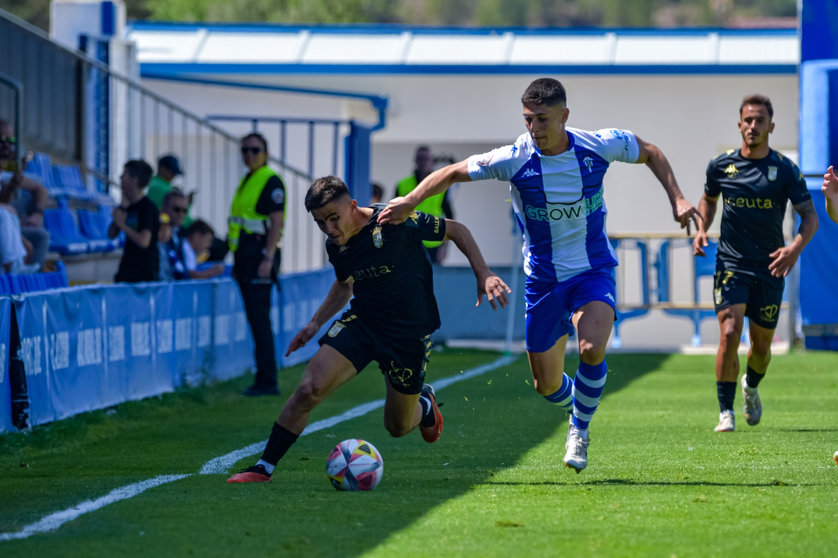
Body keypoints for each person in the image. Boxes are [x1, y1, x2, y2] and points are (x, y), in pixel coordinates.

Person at [379, 77, 699, 473]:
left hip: (591, 269)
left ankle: (579, 429)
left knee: (590, 349)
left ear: (565, 116)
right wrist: (410, 201)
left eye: (543, 119)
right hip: (543, 281)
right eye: (529, 119)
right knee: (546, 385)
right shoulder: (515, 157)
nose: (534, 128)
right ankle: (577, 409)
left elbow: (650, 151)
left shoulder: (598, 145)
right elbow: (454, 172)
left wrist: (679, 197)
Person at [227, 176, 510, 483]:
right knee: (310, 388)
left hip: (407, 334)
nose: (330, 229)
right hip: (364, 323)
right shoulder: (335, 246)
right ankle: (264, 467)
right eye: (321, 223)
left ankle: (424, 404)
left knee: (398, 427)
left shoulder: (395, 220)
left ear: (352, 206)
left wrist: (483, 273)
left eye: (334, 219)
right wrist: (315, 323)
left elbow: (456, 230)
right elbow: (344, 284)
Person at [693, 94, 818, 433]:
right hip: (732, 263)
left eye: (759, 121)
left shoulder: (785, 170)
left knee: (761, 347)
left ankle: (751, 386)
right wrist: (702, 228)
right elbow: (708, 199)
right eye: (748, 120)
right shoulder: (720, 166)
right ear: (739, 125)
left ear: (771, 126)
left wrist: (795, 248)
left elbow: (810, 217)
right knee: (730, 331)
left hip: (771, 267)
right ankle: (725, 412)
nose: (753, 126)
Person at [228, 132, 285, 396]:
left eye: (254, 149)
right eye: (245, 150)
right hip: (246, 257)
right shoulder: (247, 179)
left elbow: (276, 221)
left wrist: (268, 258)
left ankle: (267, 380)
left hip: (260, 256)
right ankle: (263, 377)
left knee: (260, 319)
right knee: (255, 319)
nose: (248, 154)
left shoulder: (270, 180)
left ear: (265, 152)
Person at [0, 120, 50, 270]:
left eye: (11, 140)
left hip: (7, 221)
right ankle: (15, 270)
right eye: (2, 140)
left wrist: (37, 213)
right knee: (6, 213)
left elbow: (42, 190)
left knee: (41, 236)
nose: (6, 145)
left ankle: (34, 282)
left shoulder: (9, 166)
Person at [395, 146, 455, 264]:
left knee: (433, 279)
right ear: (415, 161)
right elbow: (393, 214)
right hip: (409, 242)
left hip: (434, 243)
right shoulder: (403, 184)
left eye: (426, 158)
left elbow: (450, 217)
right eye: (420, 158)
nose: (423, 162)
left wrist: (445, 247)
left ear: (431, 161)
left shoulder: (441, 185)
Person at [108, 159, 160, 283]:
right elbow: (111, 234)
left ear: (134, 179)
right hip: (127, 271)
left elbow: (143, 241)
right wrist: (122, 208)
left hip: (144, 274)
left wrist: (124, 227)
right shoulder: (128, 206)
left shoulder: (147, 207)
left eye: (124, 174)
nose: (120, 177)